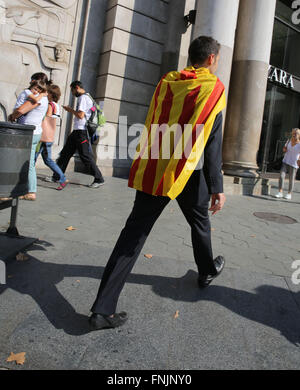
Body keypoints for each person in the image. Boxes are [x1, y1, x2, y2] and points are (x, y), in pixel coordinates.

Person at [88, 36, 226, 331]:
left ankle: (102, 309)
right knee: (200, 223)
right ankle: (206, 272)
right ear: (212, 59)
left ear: (192, 56)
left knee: (133, 235)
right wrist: (217, 186)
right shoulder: (213, 89)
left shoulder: (168, 83)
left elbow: (154, 122)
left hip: (159, 166)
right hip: (191, 172)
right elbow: (212, 142)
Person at [53, 81, 104, 188]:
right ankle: (57, 176)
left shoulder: (83, 98)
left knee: (85, 156)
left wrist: (69, 110)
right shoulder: (87, 97)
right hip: (77, 131)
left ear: (77, 88)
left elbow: (80, 115)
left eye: (72, 90)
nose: (72, 93)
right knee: (65, 154)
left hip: (82, 132)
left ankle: (99, 179)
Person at [9, 79, 49, 200]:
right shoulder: (44, 98)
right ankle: (24, 188)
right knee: (25, 161)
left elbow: (21, 110)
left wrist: (12, 116)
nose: (35, 91)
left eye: (37, 89)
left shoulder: (38, 98)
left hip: (28, 132)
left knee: (27, 162)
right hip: (34, 131)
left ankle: (30, 191)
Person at [35, 85, 68, 191]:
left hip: (43, 136)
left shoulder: (50, 105)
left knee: (35, 158)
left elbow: (46, 119)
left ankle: (62, 178)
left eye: (47, 93)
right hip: (48, 137)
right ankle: (62, 178)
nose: (46, 94)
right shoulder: (56, 105)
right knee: (46, 160)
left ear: (51, 94)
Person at [275, 128, 300, 200]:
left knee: (291, 179)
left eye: (297, 133)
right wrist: (284, 149)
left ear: (299, 135)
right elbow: (284, 149)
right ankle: (280, 192)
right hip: (285, 161)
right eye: (294, 133)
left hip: (294, 163)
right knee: (281, 176)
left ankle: (289, 194)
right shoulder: (288, 141)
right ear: (292, 134)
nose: (295, 135)